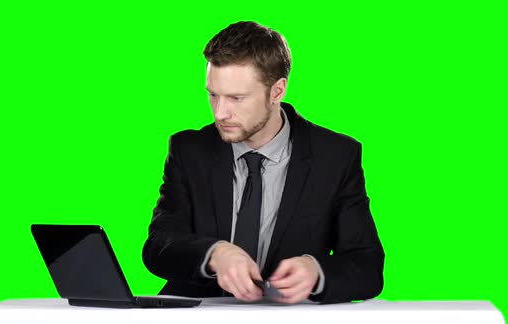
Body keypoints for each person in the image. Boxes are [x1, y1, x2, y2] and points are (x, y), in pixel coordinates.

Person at [142, 21, 384, 304]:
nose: (220, 113)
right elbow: (158, 247)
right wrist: (213, 254)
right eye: (213, 95)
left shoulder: (336, 156)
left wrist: (316, 272)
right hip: (197, 316)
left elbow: (367, 266)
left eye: (236, 98)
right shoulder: (189, 149)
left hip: (287, 321)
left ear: (277, 91)